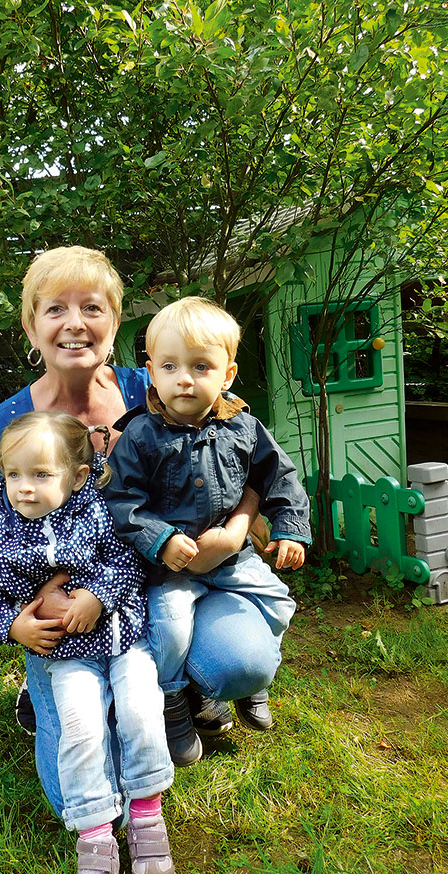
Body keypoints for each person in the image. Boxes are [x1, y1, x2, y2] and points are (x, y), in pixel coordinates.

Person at [0, 245, 282, 813]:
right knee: (80, 779)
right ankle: (52, 683)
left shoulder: (165, 377)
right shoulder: (12, 420)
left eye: (92, 307)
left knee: (240, 663)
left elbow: (250, 454)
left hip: (171, 575)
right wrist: (34, 600)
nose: (74, 323)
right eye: (54, 309)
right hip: (69, 601)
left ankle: (185, 682)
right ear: (31, 325)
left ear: (116, 323)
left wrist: (239, 528)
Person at [0, 412, 175, 874]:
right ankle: (96, 838)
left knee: (142, 712)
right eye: (13, 475)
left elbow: (130, 560)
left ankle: (147, 816)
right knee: (80, 733)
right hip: (67, 656)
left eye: (40, 474)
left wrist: (99, 597)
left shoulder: (101, 513)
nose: (23, 488)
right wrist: (14, 625)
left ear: (78, 476)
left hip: (126, 640)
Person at [103, 297, 312, 766]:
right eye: (171, 366)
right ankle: (174, 702)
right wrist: (159, 539)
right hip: (171, 567)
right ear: (151, 370)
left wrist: (291, 529)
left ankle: (252, 684)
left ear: (228, 374)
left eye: (201, 366)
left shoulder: (244, 427)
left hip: (232, 557)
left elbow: (280, 475)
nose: (185, 378)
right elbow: (121, 500)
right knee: (170, 626)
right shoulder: (139, 435)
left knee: (280, 602)